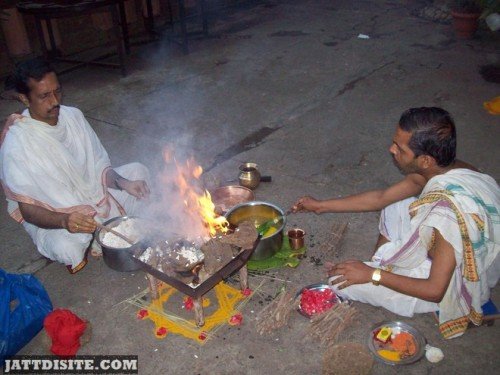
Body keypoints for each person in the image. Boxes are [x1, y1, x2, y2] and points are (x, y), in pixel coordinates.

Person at [293, 107, 500, 339]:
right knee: (395, 205)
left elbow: (434, 290)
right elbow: (381, 198)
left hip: (449, 281)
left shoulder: (448, 215)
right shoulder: (444, 169)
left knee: (340, 282)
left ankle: (387, 273)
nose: (391, 150)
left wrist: (373, 275)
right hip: (448, 251)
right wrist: (319, 205)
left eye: (400, 148)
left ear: (425, 160)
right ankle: (384, 267)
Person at [0, 58, 151, 274]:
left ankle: (99, 232)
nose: (54, 101)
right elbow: (28, 209)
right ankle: (88, 235)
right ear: (25, 98)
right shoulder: (18, 143)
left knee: (138, 171)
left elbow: (98, 168)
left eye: (57, 91)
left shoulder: (73, 117)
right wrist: (65, 220)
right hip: (53, 213)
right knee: (70, 247)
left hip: (91, 197)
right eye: (44, 96)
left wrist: (123, 182)